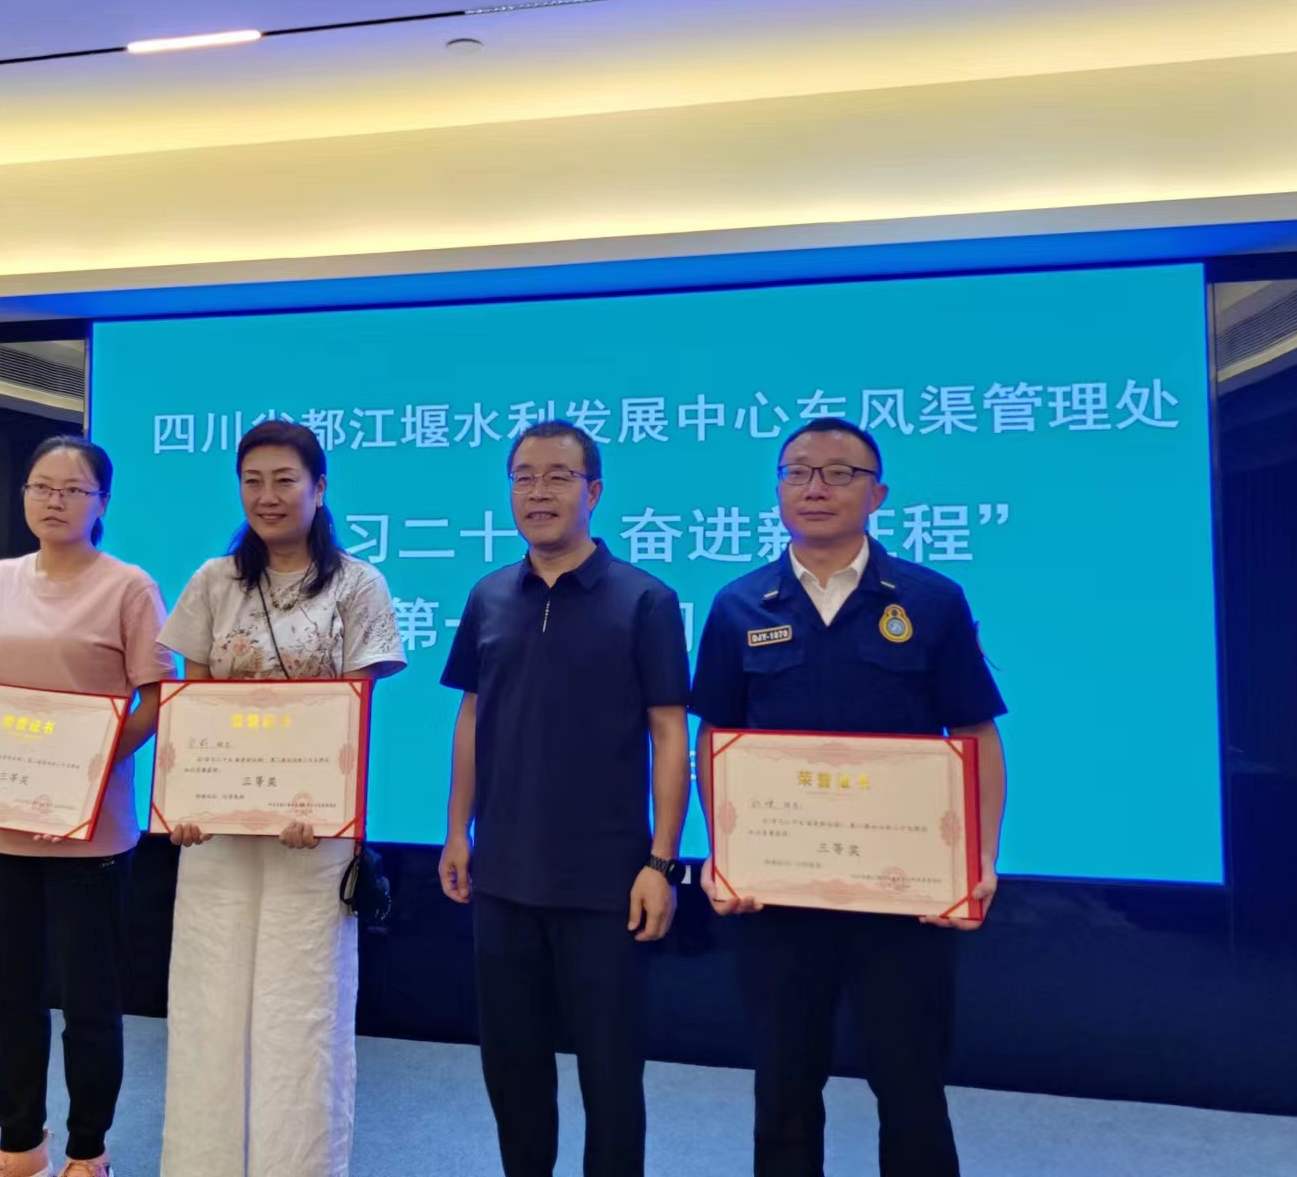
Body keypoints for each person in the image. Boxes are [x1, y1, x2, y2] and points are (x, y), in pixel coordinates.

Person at [690, 416, 1008, 1177]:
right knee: (783, 1086)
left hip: (904, 895)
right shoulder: (739, 605)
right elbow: (716, 738)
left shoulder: (931, 600)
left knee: (910, 1085)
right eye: (797, 472)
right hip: (779, 895)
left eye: (839, 473)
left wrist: (978, 861)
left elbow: (975, 733)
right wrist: (725, 855)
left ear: (878, 495)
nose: (816, 488)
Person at [438, 420, 691, 1177]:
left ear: (594, 491)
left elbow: (670, 733)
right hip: (503, 877)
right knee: (512, 1069)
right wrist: (456, 831)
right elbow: (472, 716)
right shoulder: (489, 595)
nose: (537, 492)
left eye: (557, 476)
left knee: (610, 1077)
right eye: (523, 476)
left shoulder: (646, 599)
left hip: (606, 882)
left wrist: (662, 862)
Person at [157, 419, 406, 1177]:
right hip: (220, 832)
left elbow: (353, 714)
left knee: (303, 1012)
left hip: (312, 830)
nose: (267, 495)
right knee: (209, 1003)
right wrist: (187, 800)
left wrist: (321, 805)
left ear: (319, 488)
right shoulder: (213, 581)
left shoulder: (358, 585)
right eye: (253, 480)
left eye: (285, 479)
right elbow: (195, 707)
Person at [0, 434, 177, 1177]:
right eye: (41, 486)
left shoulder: (128, 586)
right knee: (6, 997)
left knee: (90, 1002)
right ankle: (20, 1143)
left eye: (73, 489)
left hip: (90, 833)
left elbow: (157, 698)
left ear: (103, 503)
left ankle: (87, 1151)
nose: (54, 501)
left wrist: (89, 773)